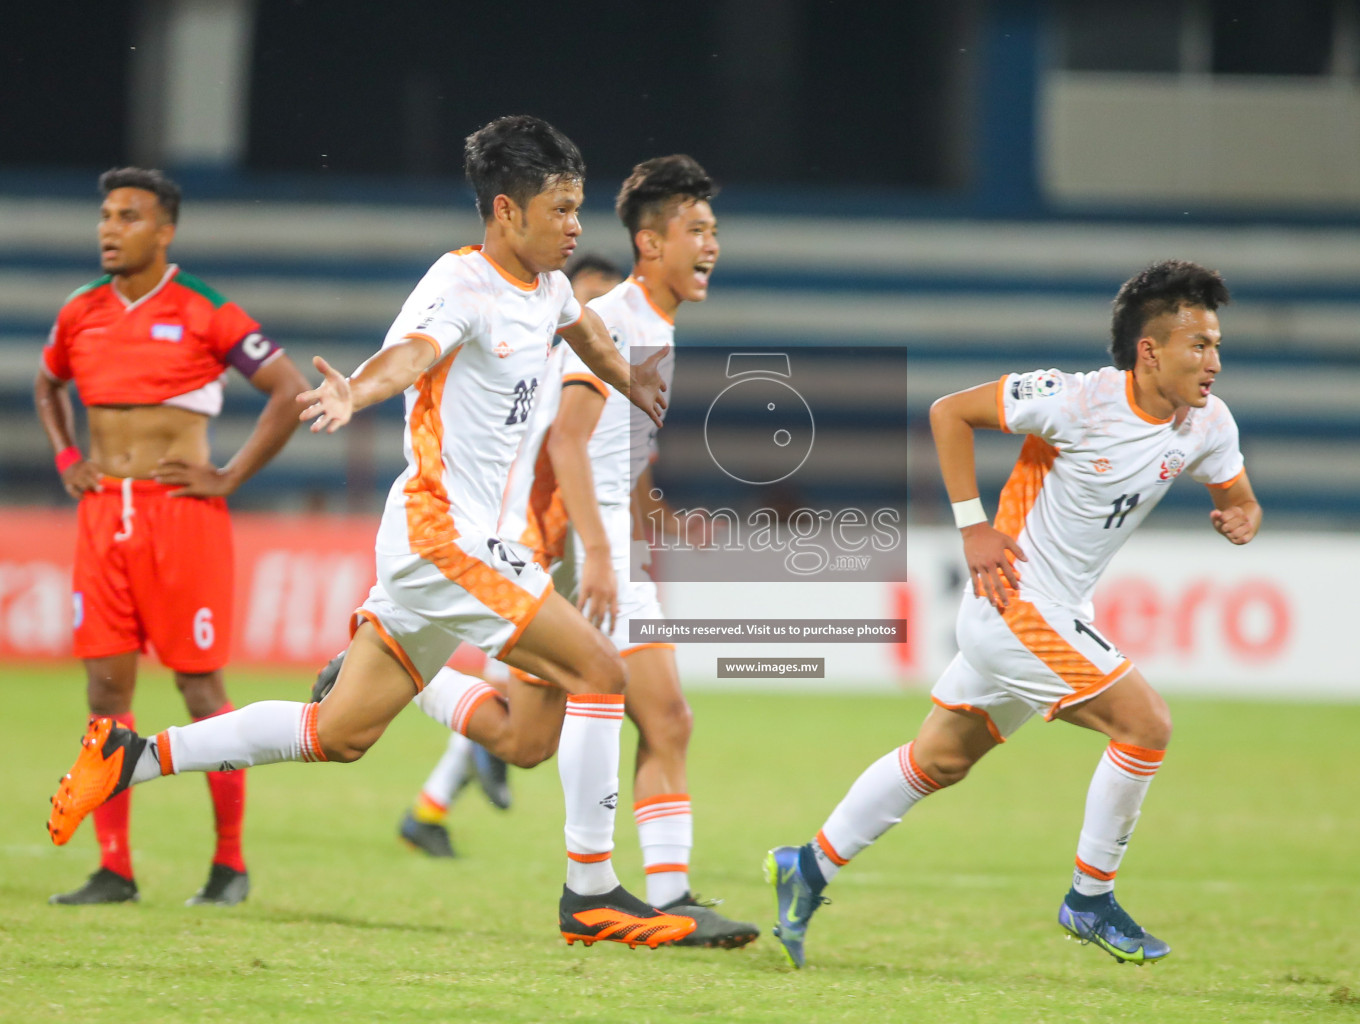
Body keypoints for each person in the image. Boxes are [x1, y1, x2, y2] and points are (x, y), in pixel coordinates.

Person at [47, 115, 697, 949]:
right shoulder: (458, 287)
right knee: (601, 671)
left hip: (448, 549)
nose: (577, 226)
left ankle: (131, 756)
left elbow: (587, 334)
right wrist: (355, 392)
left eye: (578, 208)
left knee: (358, 735)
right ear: (506, 210)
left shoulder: (553, 285)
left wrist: (632, 383)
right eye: (562, 209)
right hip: (446, 537)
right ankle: (593, 894)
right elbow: (412, 355)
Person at [765, 260, 1261, 968]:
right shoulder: (1074, 400)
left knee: (938, 759)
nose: (1214, 360)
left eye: (1216, 345)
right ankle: (1089, 898)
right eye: (1199, 345)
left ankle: (806, 868)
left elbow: (1237, 494)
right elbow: (949, 412)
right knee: (1146, 725)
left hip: (1058, 610)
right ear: (1150, 351)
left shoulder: (1208, 422)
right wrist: (971, 527)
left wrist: (1241, 514)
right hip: (1014, 603)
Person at [388, 155, 756, 948]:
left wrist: (649, 520)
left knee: (533, 740)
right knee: (663, 716)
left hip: (602, 543)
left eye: (715, 231)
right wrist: (594, 550)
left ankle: (418, 686)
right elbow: (570, 440)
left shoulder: (652, 327)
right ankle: (653, 895)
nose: (712, 245)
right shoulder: (618, 319)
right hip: (574, 547)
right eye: (697, 230)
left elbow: (622, 454)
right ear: (650, 243)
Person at [34, 167, 308, 906]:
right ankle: (114, 869)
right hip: (102, 517)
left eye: (128, 216)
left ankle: (228, 865)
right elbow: (47, 382)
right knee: (104, 690)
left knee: (199, 688)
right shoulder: (80, 312)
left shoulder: (206, 311)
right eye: (105, 215)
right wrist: (67, 456)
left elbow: (288, 390)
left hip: (180, 516)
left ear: (164, 231)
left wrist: (231, 475)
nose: (109, 228)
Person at [389, 257, 629, 860]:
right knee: (560, 709)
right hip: (526, 540)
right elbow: (552, 448)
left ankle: (430, 805)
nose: (597, 313)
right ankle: (416, 707)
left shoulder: (583, 362)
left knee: (534, 721)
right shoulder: (540, 361)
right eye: (590, 298)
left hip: (563, 546)